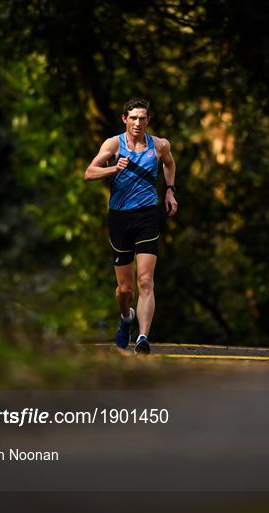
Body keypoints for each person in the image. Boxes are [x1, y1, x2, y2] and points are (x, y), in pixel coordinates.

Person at [84, 98, 177, 354]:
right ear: (124, 119)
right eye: (133, 118)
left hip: (147, 217)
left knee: (146, 281)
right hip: (119, 219)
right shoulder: (114, 144)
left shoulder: (160, 145)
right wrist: (113, 168)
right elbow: (89, 172)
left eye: (142, 118)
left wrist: (170, 191)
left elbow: (169, 164)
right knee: (124, 289)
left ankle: (143, 337)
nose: (138, 122)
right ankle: (126, 317)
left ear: (148, 120)